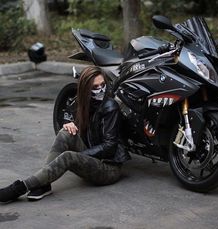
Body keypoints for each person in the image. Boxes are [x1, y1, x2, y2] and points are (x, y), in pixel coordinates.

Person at [0, 66, 130, 203]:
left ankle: (19, 188)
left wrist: (80, 156)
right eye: (95, 87)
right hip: (93, 157)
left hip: (109, 169)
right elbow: (70, 115)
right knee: (65, 133)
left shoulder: (110, 106)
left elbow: (110, 146)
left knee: (68, 157)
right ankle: (43, 184)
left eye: (103, 85)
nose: (101, 90)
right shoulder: (85, 102)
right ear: (85, 89)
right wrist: (70, 123)